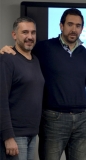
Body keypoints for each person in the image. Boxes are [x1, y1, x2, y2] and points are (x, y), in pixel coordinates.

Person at [0, 8, 86, 160]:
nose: (74, 29)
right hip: (54, 120)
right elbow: (22, 49)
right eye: (69, 24)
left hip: (82, 119)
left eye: (78, 25)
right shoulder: (43, 48)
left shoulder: (83, 52)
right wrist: (5, 48)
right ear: (61, 26)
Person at [0, 17, 44, 160]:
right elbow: (1, 100)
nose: (30, 37)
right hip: (15, 136)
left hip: (31, 134)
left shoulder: (35, 60)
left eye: (33, 32)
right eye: (25, 32)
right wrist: (8, 137)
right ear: (14, 35)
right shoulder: (7, 59)